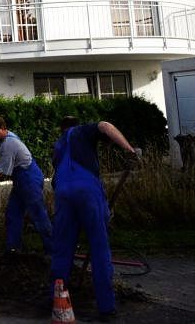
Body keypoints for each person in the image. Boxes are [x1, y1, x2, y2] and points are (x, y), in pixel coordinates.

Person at [49, 117, 141, 320]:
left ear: (62, 128)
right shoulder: (82, 131)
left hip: (63, 194)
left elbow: (56, 180)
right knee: (99, 247)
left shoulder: (58, 145)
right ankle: (106, 307)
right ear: (76, 124)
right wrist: (129, 150)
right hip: (87, 191)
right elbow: (106, 126)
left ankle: (57, 300)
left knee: (62, 249)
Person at [0, 115, 53, 256]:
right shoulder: (9, 137)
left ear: (2, 129)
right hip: (21, 181)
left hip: (29, 180)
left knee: (38, 214)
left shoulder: (8, 144)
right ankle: (13, 249)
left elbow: (2, 174)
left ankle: (54, 250)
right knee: (13, 213)